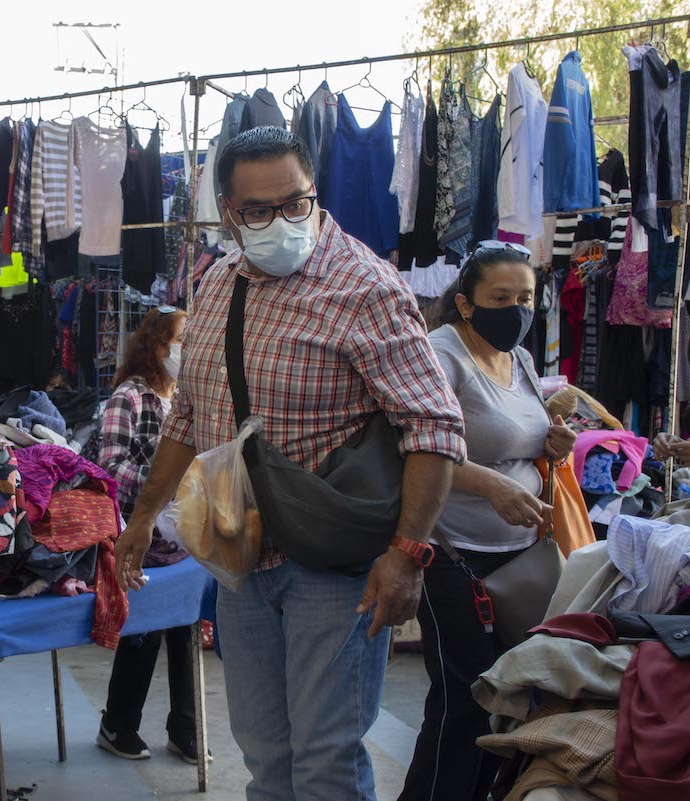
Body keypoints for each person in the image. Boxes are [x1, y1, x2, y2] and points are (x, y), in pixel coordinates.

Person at [113, 126, 467, 801]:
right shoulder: (215, 285)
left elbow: (433, 426)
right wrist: (143, 515)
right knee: (267, 757)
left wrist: (405, 554)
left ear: (314, 192)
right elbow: (187, 416)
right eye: (257, 211)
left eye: (294, 203)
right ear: (226, 212)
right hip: (241, 555)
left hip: (333, 566)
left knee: (326, 762)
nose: (280, 222)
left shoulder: (366, 286)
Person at [398, 243, 577, 801]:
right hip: (452, 555)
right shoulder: (440, 354)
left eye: (525, 297)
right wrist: (491, 483)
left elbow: (518, 441)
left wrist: (554, 445)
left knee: (507, 699)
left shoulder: (520, 359)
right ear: (466, 303)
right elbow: (410, 446)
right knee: (465, 696)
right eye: (500, 298)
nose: (517, 309)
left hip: (520, 557)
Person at [96, 305, 203, 764]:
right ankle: (117, 724)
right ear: (158, 346)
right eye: (180, 341)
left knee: (187, 627)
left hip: (187, 532)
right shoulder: (131, 398)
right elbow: (108, 468)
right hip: (140, 531)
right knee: (145, 628)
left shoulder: (188, 395)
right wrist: (165, 482)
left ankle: (186, 729)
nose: (186, 350)